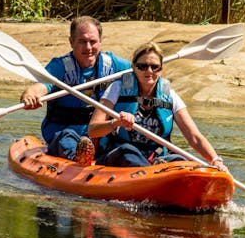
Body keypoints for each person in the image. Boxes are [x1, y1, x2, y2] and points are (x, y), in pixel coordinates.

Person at [88, 42, 229, 173]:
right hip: (120, 154)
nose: (149, 71)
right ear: (133, 67)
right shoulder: (117, 88)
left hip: (156, 159)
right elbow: (93, 130)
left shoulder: (170, 96)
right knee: (128, 152)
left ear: (161, 69)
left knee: (181, 160)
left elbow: (195, 138)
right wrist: (116, 122)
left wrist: (215, 159)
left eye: (155, 67)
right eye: (142, 66)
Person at [20, 16, 131, 164]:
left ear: (100, 41)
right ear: (71, 42)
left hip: (99, 137)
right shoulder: (60, 66)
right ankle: (77, 158)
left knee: (121, 144)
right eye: (82, 42)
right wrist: (30, 95)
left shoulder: (113, 64)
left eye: (92, 42)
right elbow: (40, 86)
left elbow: (141, 72)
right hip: (63, 134)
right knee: (66, 136)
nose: (88, 48)